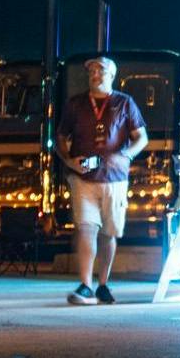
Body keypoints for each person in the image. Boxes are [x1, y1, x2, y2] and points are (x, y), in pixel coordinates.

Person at [57, 56, 145, 306]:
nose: (95, 74)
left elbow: (141, 137)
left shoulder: (124, 103)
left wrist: (125, 155)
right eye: (92, 71)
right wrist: (69, 161)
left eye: (101, 70)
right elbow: (61, 138)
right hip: (83, 178)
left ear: (112, 75)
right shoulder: (76, 104)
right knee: (86, 227)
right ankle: (85, 285)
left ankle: (103, 284)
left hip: (114, 180)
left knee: (109, 233)